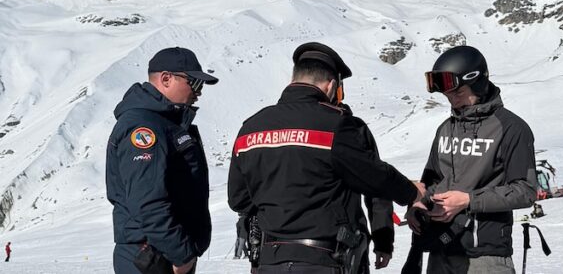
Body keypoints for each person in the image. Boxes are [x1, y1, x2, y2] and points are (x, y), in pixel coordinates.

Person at [228, 42, 426, 273]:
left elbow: (238, 200)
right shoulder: (336, 126)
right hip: (325, 258)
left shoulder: (250, 128)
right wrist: (412, 193)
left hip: (269, 260)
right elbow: (375, 177)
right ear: (332, 86)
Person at [409, 45, 537, 274]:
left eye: (458, 92)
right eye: (448, 94)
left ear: (478, 82)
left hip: (486, 256)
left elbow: (525, 191)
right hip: (441, 250)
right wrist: (420, 203)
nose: (452, 100)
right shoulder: (445, 130)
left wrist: (468, 200)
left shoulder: (511, 128)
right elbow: (432, 181)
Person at [106, 46, 219, 274]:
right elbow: (147, 202)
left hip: (163, 254)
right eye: (194, 83)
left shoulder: (165, 123)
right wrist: (181, 254)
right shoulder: (145, 127)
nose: (199, 92)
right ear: (166, 79)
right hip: (150, 257)